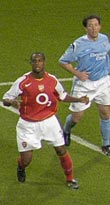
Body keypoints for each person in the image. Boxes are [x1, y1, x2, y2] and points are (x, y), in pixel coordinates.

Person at [2, 52, 89, 189]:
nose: (37, 64)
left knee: (61, 149)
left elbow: (63, 96)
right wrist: (12, 102)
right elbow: (6, 98)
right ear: (31, 63)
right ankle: (21, 166)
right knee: (26, 159)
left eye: (40, 61)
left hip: (49, 121)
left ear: (44, 62)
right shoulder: (23, 81)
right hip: (28, 124)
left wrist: (78, 99)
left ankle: (70, 179)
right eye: (34, 61)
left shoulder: (52, 80)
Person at [59, 14, 110, 156]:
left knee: (105, 113)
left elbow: (105, 54)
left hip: (103, 82)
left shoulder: (104, 39)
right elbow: (63, 61)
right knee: (77, 116)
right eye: (90, 25)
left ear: (100, 26)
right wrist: (77, 73)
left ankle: (106, 144)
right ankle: (66, 130)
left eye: (96, 25)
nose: (93, 28)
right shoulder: (78, 44)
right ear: (85, 28)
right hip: (84, 84)